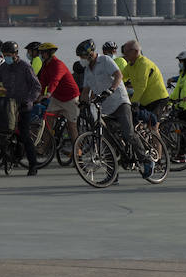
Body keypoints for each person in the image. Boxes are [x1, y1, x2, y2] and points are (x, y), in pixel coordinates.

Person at [77, 39, 153, 178]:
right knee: (107, 141)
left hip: (120, 102)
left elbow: (119, 75)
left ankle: (146, 159)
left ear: (89, 54)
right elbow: (85, 91)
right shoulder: (87, 70)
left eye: (82, 56)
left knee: (128, 133)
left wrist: (111, 89)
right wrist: (82, 103)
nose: (81, 60)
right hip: (104, 108)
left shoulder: (105, 60)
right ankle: (112, 174)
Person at [0, 40, 42, 175]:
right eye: (4, 55)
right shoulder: (4, 67)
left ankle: (33, 165)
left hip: (23, 106)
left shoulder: (25, 67)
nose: (7, 57)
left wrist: (28, 100)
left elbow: (36, 87)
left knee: (24, 135)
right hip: (9, 105)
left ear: (16, 53)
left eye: (9, 55)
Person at [36, 41, 80, 151]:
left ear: (49, 53)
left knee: (71, 126)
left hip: (71, 98)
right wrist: (39, 95)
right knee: (48, 120)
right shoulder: (45, 65)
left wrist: (48, 94)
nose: (41, 55)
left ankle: (77, 151)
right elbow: (43, 82)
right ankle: (45, 146)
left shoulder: (58, 64)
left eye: (43, 53)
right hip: (57, 98)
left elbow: (55, 80)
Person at [119, 40, 169, 118]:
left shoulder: (143, 64)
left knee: (152, 121)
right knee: (137, 119)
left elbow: (141, 86)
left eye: (127, 52)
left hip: (157, 98)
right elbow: (121, 77)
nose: (124, 54)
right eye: (123, 52)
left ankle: (157, 126)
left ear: (136, 51)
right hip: (145, 100)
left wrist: (132, 102)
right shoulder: (130, 65)